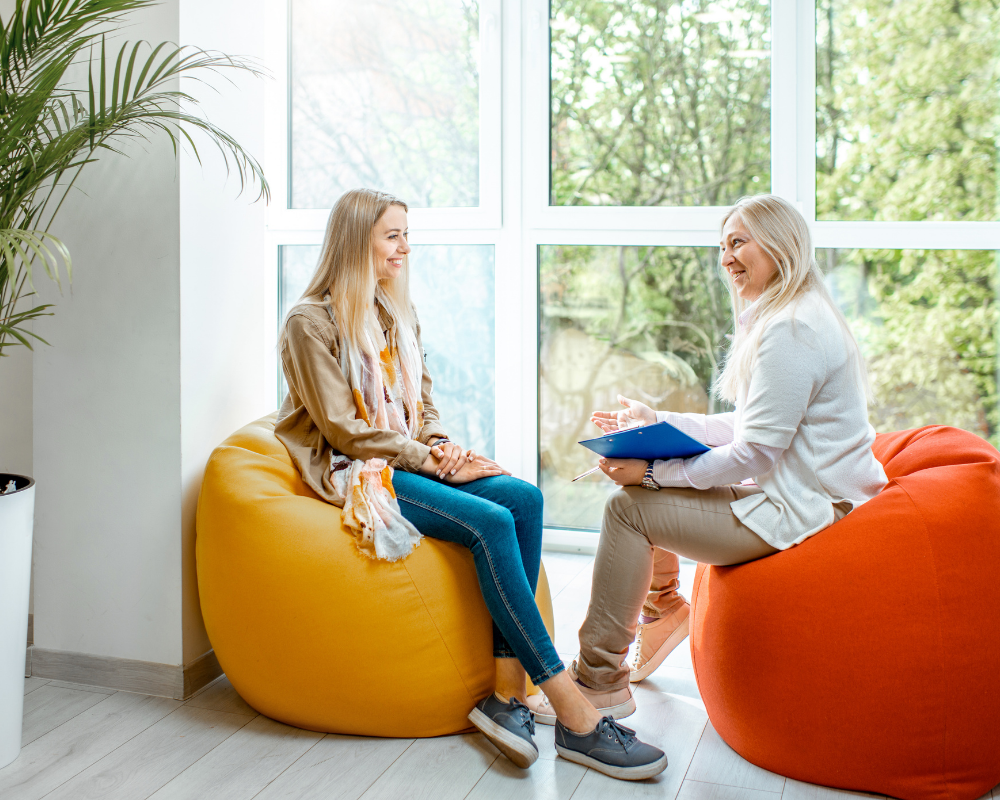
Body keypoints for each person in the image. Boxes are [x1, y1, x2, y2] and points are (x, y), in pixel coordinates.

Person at [274, 188, 667, 781]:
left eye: (406, 234)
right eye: (393, 235)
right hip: (357, 472)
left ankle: (505, 695)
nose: (406, 247)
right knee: (490, 521)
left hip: (403, 458)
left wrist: (441, 447)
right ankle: (573, 712)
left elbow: (422, 405)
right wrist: (425, 460)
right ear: (357, 241)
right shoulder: (310, 321)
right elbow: (344, 430)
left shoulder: (395, 311)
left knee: (524, 498)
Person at [533, 193, 888, 723]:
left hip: (808, 514)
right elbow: (750, 426)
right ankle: (664, 610)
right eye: (723, 246)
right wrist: (659, 424)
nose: (726, 258)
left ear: (781, 243)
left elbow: (752, 451)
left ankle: (600, 681)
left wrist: (654, 473)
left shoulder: (791, 330)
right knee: (639, 493)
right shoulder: (789, 314)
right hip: (798, 498)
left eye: (739, 241)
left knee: (627, 508)